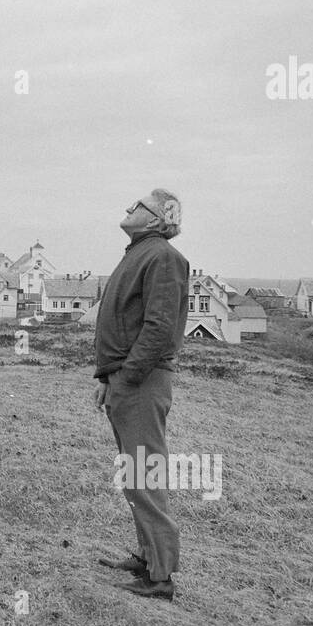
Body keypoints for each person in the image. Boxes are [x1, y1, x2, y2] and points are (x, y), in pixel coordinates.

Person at [93, 188, 189, 601]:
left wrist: (127, 376)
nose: (128, 208)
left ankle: (160, 577)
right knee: (134, 475)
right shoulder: (139, 252)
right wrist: (106, 377)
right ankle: (149, 559)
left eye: (137, 206)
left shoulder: (163, 257)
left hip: (141, 383)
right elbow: (124, 322)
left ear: (153, 220)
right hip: (125, 381)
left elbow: (159, 328)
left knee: (144, 476)